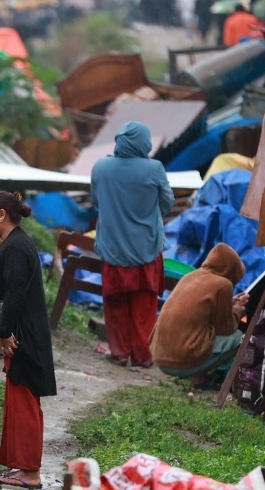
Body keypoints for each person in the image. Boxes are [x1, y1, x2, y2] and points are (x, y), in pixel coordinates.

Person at [0, 191, 57, 490]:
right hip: (19, 334)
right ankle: (23, 468)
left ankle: (30, 473)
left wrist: (5, 333)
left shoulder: (15, 247)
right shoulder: (13, 243)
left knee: (25, 402)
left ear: (1, 215)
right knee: (19, 399)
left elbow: (15, 294)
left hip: (21, 336)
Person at [91, 121, 174, 369]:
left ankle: (119, 352)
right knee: (144, 305)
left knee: (115, 302)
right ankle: (142, 356)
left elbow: (96, 201)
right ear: (144, 143)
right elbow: (167, 203)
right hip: (146, 249)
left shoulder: (101, 167)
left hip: (112, 248)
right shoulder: (154, 169)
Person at [149, 243, 249, 388]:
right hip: (179, 363)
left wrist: (230, 302)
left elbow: (200, 309)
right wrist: (238, 310)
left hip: (160, 357)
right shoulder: (224, 284)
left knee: (199, 333)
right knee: (240, 338)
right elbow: (226, 328)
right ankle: (228, 385)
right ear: (232, 270)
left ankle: (198, 379)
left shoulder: (191, 276)